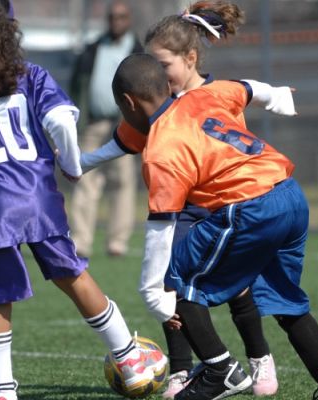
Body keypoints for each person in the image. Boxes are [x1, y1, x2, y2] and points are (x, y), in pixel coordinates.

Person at [0, 2, 165, 399]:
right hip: (36, 197)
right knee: (73, 275)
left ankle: (2, 391)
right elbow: (61, 120)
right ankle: (127, 356)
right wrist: (71, 163)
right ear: (10, 30)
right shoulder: (31, 75)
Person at [110, 53, 318, 400]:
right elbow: (246, 89)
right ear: (167, 86)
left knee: (175, 276)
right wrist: (278, 97)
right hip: (289, 195)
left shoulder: (161, 147)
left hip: (248, 205)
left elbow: (161, 232)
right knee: (284, 298)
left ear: (127, 102)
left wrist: (154, 296)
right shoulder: (201, 95)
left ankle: (219, 369)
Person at [96, 3, 278, 397]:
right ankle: (182, 368)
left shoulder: (214, 94)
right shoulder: (160, 104)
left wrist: (278, 96)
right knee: (171, 280)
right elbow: (126, 139)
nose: (156, 75)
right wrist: (82, 163)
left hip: (224, 205)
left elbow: (251, 90)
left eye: (162, 64)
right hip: (182, 207)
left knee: (239, 286)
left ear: (189, 58)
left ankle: (260, 357)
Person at [68, 0, 144, 258]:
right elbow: (76, 84)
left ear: (129, 19)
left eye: (121, 17)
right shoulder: (93, 48)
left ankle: (117, 242)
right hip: (94, 123)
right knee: (85, 178)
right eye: (112, 17)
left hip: (126, 124)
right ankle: (80, 241)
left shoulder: (137, 50)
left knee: (122, 182)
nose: (116, 21)